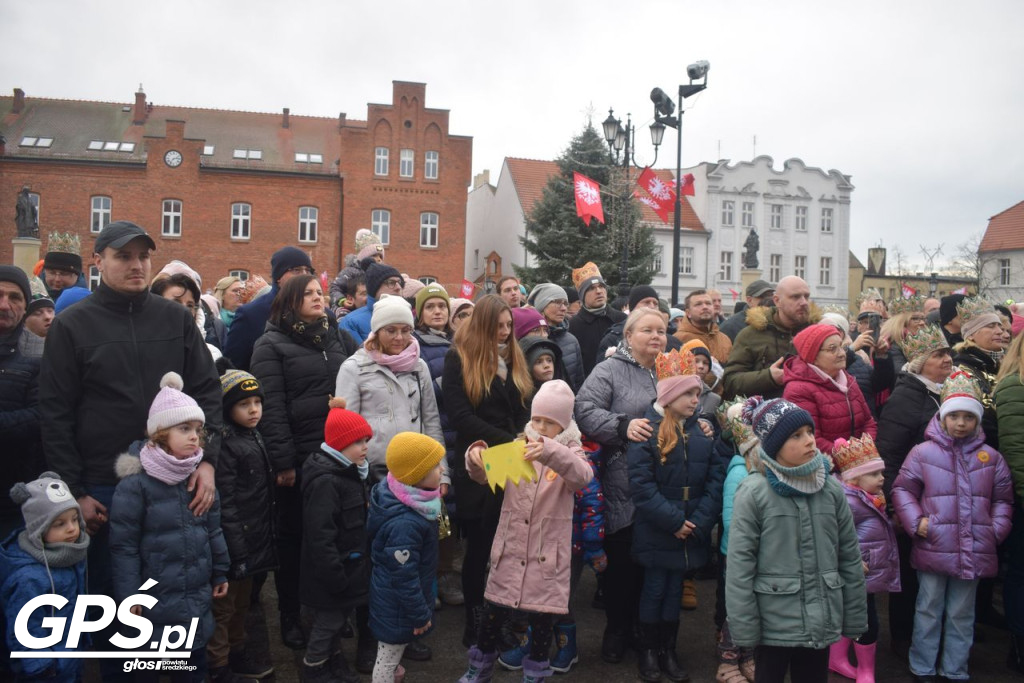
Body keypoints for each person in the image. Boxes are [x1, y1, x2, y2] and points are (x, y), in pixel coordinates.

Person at [39, 222, 221, 680]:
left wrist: (209, 461)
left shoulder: (175, 318)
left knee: (181, 597)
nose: (136, 264)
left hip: (178, 481)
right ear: (98, 262)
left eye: (143, 255)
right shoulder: (72, 326)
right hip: (105, 487)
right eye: (123, 256)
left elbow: (206, 393)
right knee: (121, 607)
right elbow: (56, 413)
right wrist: (76, 490)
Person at [250, 273, 358, 650]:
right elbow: (272, 408)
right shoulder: (270, 345)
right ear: (290, 301)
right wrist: (284, 462)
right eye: (308, 293)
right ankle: (291, 615)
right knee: (295, 540)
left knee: (336, 537)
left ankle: (330, 610)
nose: (318, 298)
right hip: (300, 457)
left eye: (320, 292)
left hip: (340, 454)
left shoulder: (337, 336)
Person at [460, 380, 594, 682]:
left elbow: (582, 476)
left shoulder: (570, 451)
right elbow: (483, 475)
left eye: (550, 422)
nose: (542, 427)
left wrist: (549, 451)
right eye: (537, 420)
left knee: (542, 621)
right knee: (492, 615)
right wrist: (475, 457)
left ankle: (535, 672)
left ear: (563, 425)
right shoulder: (519, 447)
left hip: (546, 555)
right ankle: (478, 668)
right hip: (511, 548)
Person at [726, 397, 867, 683]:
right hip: (774, 621)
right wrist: (744, 627)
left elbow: (849, 555)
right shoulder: (754, 492)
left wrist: (853, 615)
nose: (809, 441)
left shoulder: (830, 489)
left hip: (822, 617)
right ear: (774, 444)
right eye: (796, 435)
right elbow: (740, 565)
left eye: (810, 432)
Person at [892, 372, 1014, 682]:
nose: (961, 423)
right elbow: (903, 489)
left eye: (968, 417)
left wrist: (995, 529)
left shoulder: (992, 458)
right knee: (928, 607)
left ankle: (955, 667)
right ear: (943, 417)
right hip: (933, 543)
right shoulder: (923, 453)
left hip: (974, 548)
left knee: (962, 613)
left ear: (977, 420)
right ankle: (922, 664)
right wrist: (915, 520)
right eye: (954, 416)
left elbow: (1003, 499)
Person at [110, 373, 230, 681]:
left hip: (194, 600)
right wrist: (130, 595)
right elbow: (123, 545)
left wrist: (220, 570)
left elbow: (213, 529)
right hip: (153, 603)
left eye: (198, 430)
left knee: (193, 669)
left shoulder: (199, 476)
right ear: (160, 434)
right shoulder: (136, 484)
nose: (194, 436)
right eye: (184, 428)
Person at [575, 306, 668, 663]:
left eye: (661, 330)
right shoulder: (609, 369)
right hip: (621, 481)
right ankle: (617, 629)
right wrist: (621, 425)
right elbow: (583, 409)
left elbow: (699, 403)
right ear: (628, 336)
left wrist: (703, 423)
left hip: (664, 482)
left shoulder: (672, 368)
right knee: (621, 568)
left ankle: (646, 632)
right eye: (647, 330)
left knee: (652, 569)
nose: (657, 336)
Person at [628, 350, 725, 682]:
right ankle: (649, 650)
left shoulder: (701, 430)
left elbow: (715, 477)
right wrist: (673, 521)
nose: (696, 399)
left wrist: (699, 520)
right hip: (660, 528)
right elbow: (641, 486)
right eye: (688, 392)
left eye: (698, 392)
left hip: (691, 525)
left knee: (674, 591)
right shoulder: (647, 432)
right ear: (669, 395)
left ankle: (669, 649)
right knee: (654, 588)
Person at [443, 294, 533, 647]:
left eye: (509, 326)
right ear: (481, 325)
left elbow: (525, 403)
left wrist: (524, 436)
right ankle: (475, 621)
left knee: (508, 546)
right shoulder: (458, 358)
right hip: (480, 458)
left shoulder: (514, 357)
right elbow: (461, 417)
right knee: (480, 546)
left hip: (513, 455)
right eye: (498, 327)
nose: (505, 332)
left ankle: (501, 617)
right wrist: (511, 440)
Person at [876, 325, 952, 660]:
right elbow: (889, 454)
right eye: (938, 354)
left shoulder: (944, 391)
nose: (948, 359)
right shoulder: (906, 397)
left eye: (948, 352)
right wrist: (895, 504)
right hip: (915, 499)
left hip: (944, 497)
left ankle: (935, 636)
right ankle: (904, 638)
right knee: (909, 572)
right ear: (919, 363)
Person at [208, 370, 277, 682]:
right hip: (234, 542)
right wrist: (235, 549)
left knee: (241, 604)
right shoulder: (225, 445)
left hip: (252, 540)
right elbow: (227, 503)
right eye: (243, 404)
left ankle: (236, 653)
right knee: (223, 609)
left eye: (257, 402)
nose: (253, 410)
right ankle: (218, 667)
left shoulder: (252, 434)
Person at [335, 294, 445, 485]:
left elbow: (431, 421)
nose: (399, 337)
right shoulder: (354, 368)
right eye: (391, 330)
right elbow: (346, 430)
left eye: (406, 330)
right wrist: (353, 478)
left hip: (416, 468)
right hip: (371, 472)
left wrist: (441, 472)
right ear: (377, 331)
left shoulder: (419, 367)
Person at [300, 403, 374, 683]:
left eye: (366, 440)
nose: (365, 447)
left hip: (348, 569)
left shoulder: (350, 472)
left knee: (336, 621)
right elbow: (321, 535)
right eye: (358, 441)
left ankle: (332, 663)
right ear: (340, 445)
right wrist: (334, 575)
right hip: (333, 573)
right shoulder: (328, 482)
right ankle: (314, 668)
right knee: (328, 623)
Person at [368, 433, 446, 683]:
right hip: (398, 606)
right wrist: (420, 615)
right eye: (435, 466)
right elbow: (404, 577)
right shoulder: (405, 523)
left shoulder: (405, 497)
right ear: (416, 476)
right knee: (387, 659)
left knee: (393, 656)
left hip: (397, 603)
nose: (442, 469)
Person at [1, 473, 89, 681]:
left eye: (74, 519)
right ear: (38, 529)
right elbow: (24, 626)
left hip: (69, 657)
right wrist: (41, 665)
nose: (71, 528)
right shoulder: (29, 577)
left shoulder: (70, 555)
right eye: (59, 524)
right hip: (46, 670)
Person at [829, 435, 900, 683]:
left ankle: (837, 659)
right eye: (874, 474)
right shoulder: (849, 502)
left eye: (881, 472)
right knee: (866, 621)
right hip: (858, 571)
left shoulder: (871, 498)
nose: (882, 478)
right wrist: (850, 562)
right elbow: (834, 537)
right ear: (855, 478)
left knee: (853, 616)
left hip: (868, 570)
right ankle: (865, 669)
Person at [714, 400, 761, 683]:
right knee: (737, 609)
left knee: (755, 607)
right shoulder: (738, 472)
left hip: (760, 553)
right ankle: (727, 660)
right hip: (737, 553)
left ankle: (749, 655)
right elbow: (732, 521)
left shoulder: (764, 473)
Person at [782, 323, 877, 458]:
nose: (842, 353)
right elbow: (812, 440)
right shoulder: (798, 390)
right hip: (825, 469)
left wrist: (865, 450)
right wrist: (851, 457)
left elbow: (868, 422)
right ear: (813, 356)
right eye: (832, 349)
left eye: (841, 346)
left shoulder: (848, 380)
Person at [723, 275, 816, 400]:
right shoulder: (752, 334)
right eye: (795, 297)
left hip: (811, 413)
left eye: (806, 296)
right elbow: (731, 382)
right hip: (765, 413)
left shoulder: (817, 333)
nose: (804, 302)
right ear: (777, 301)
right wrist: (769, 377)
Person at [0, 267, 42, 536]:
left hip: (16, 490)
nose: (5, 305)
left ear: (25, 306)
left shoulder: (41, 352)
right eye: (0, 295)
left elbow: (42, 415)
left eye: (15, 297)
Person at [224, 246, 315, 371]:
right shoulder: (251, 314)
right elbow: (233, 366)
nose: (304, 275)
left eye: (308, 270)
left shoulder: (321, 313)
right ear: (278, 277)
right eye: (296, 270)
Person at [995, 333, 1024, 673]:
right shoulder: (1014, 386)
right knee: (1020, 571)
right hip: (1021, 497)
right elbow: (1016, 451)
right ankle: (1018, 643)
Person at [952, 297, 1008, 450]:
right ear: (971, 335)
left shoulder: (1002, 365)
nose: (1000, 331)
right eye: (990, 326)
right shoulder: (961, 371)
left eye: (1000, 326)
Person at [568, 262, 627, 376]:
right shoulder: (574, 325)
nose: (599, 291)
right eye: (591, 288)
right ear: (582, 295)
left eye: (601, 286)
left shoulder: (622, 319)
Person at [528, 283, 585, 391]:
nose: (564, 308)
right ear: (542, 306)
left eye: (565, 303)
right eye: (558, 302)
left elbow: (579, 383)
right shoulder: (529, 340)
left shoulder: (571, 340)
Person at [340, 263, 405, 345]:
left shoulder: (408, 316)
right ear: (374, 288)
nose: (398, 287)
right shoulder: (351, 322)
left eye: (399, 282)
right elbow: (358, 356)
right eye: (391, 282)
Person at [673, 289, 733, 364]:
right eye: (698, 304)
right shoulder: (678, 339)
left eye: (708, 303)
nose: (705, 307)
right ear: (688, 313)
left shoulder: (724, 339)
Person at [881, 296, 928, 371]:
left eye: (923, 318)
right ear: (901, 322)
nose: (922, 323)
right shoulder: (892, 344)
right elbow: (898, 371)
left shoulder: (927, 342)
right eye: (915, 318)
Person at [40, 231, 85, 302]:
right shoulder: (30, 298)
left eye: (63, 273)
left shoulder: (86, 303)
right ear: (45, 272)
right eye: (52, 273)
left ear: (76, 275)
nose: (57, 279)